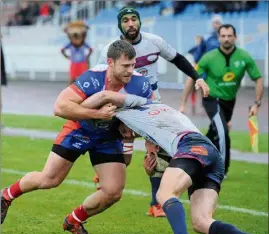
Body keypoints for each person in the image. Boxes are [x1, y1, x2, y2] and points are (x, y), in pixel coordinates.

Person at [1, 40, 153, 234]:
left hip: (108, 137)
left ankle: (74, 220)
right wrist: (97, 114)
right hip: (79, 129)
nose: (130, 70)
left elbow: (152, 118)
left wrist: (146, 146)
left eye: (133, 65)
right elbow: (60, 108)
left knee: (113, 192)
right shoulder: (93, 78)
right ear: (110, 63)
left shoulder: (141, 84)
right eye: (125, 66)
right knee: (50, 179)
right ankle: (5, 196)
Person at [78, 91, 268, 234]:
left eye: (124, 131)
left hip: (192, 145)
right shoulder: (154, 120)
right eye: (125, 136)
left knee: (165, 194)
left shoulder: (126, 112)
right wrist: (151, 170)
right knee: (201, 222)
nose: (128, 135)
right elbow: (176, 166)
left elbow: (105, 96)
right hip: (209, 155)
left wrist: (77, 109)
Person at [96, 6, 209, 217]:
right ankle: (104, 174)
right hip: (122, 105)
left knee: (156, 151)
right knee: (120, 149)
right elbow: (98, 78)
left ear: (139, 21)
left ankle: (155, 204)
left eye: (134, 19)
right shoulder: (110, 50)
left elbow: (178, 59)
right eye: (126, 20)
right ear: (119, 25)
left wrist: (198, 77)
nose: (131, 24)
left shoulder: (154, 41)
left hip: (151, 103)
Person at [180, 24, 264, 178]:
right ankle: (221, 171)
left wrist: (257, 103)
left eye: (229, 36)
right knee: (223, 131)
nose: (226, 39)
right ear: (218, 38)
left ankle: (191, 154)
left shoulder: (244, 56)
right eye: (223, 36)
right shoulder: (208, 57)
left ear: (235, 38)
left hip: (229, 102)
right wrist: (183, 104)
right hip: (211, 99)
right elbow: (192, 78)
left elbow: (258, 78)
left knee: (213, 134)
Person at [183, 14, 223, 115]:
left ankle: (213, 106)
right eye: (214, 22)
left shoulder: (224, 37)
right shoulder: (207, 37)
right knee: (192, 80)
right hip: (205, 67)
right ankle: (184, 104)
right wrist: (194, 62)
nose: (216, 25)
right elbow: (198, 52)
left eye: (218, 22)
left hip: (218, 68)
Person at [61, 20, 93, 85]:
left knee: (84, 79)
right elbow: (62, 50)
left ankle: (84, 92)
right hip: (74, 63)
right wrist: (67, 57)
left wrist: (87, 57)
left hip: (82, 63)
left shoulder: (83, 43)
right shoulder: (70, 44)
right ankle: (70, 92)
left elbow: (91, 49)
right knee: (72, 79)